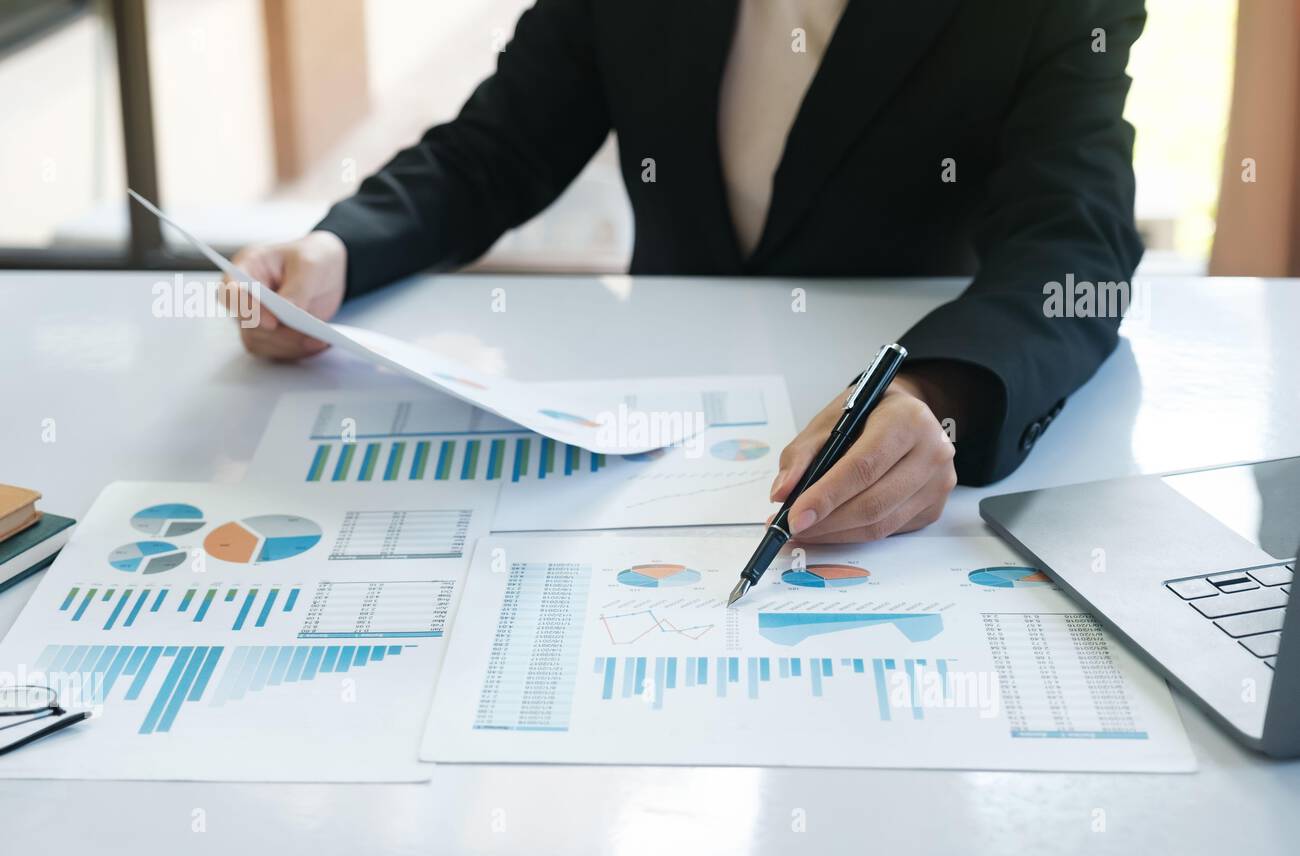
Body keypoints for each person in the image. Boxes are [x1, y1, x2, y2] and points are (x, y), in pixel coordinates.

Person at [223, 0, 1146, 544]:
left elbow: (1077, 243)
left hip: (875, 424)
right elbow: (501, 145)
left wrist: (936, 390)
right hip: (648, 438)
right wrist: (339, 251)